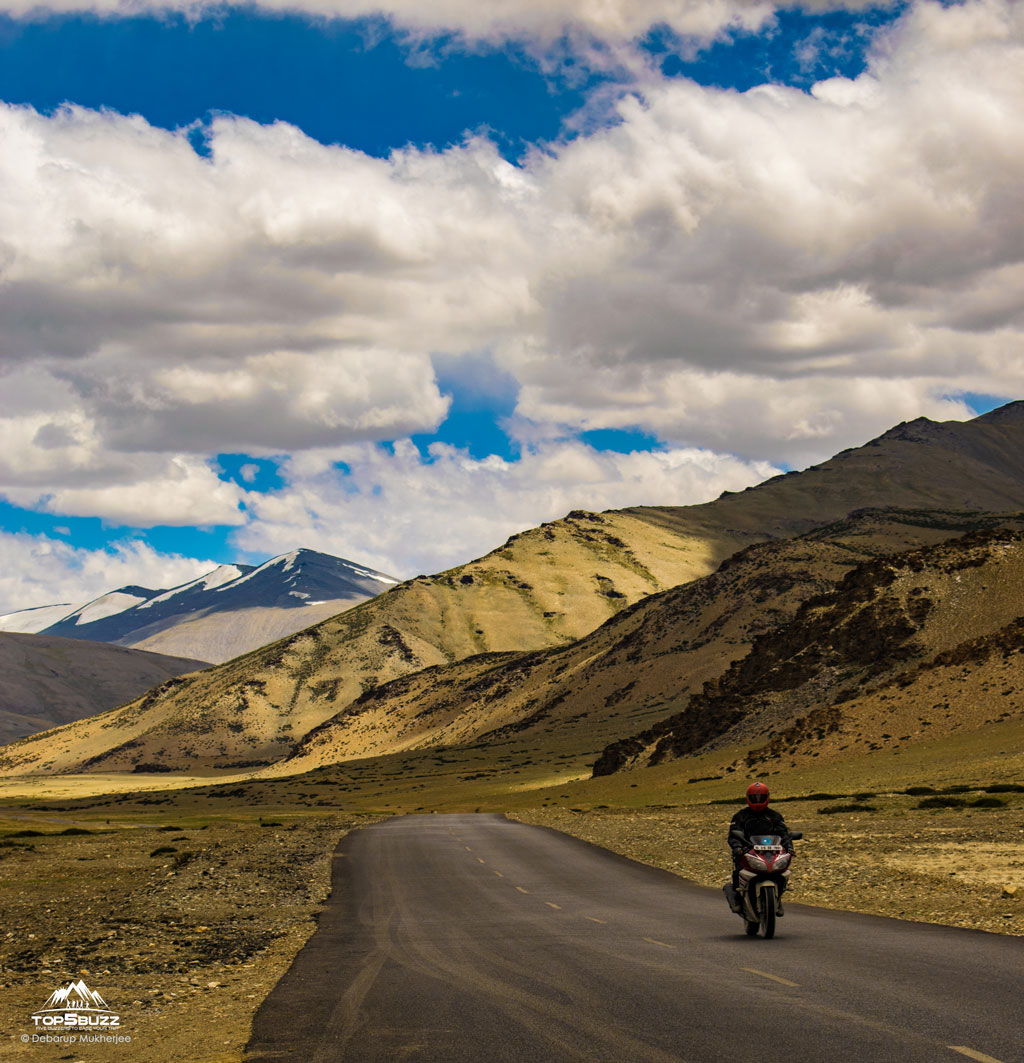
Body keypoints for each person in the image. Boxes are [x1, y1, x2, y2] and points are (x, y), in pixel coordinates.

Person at [723, 781, 794, 912]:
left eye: (760, 797)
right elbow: (733, 834)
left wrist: (789, 846)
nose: (757, 800)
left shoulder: (774, 816)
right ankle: (737, 898)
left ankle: (778, 898)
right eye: (754, 798)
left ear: (767, 797)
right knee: (739, 871)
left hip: (771, 852)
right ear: (748, 798)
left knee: (781, 872)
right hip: (747, 851)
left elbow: (783, 833)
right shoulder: (741, 816)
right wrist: (737, 847)